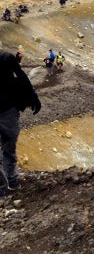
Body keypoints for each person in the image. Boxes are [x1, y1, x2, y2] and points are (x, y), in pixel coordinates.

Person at [0, 50, 41, 198]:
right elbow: (22, 77)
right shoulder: (6, 58)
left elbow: (21, 76)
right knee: (8, 149)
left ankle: (5, 186)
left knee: (8, 149)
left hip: (8, 112)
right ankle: (9, 183)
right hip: (9, 112)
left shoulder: (6, 58)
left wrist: (33, 97)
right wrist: (33, 97)